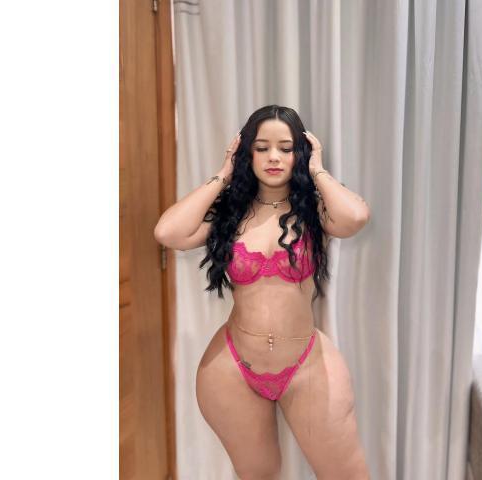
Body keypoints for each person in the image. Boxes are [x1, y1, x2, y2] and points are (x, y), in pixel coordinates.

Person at [154, 105, 371, 479]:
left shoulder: (315, 212)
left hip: (305, 363)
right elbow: (168, 232)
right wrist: (223, 175)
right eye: (261, 147)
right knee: (260, 474)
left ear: (299, 153)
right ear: (246, 153)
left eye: (285, 148)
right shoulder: (230, 214)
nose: (273, 157)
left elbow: (355, 217)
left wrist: (317, 168)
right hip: (232, 368)